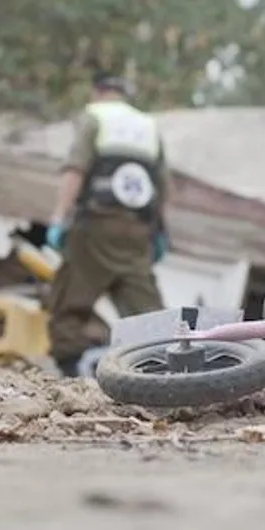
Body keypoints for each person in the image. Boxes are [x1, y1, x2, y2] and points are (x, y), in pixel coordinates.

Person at [43, 72, 171, 375]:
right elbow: (163, 185)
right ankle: (158, 368)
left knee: (70, 297)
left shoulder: (94, 116)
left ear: (98, 91)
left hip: (97, 225)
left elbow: (75, 169)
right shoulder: (148, 125)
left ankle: (71, 368)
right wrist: (161, 231)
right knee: (144, 306)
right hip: (138, 229)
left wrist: (60, 216)